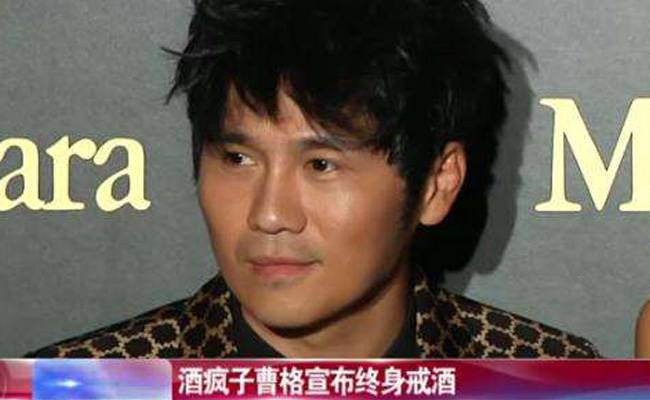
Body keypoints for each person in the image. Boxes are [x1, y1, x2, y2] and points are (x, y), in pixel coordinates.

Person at [26, 0, 599, 358]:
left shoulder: (549, 377)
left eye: (321, 164)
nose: (269, 214)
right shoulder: (84, 383)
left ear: (436, 183)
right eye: (238, 159)